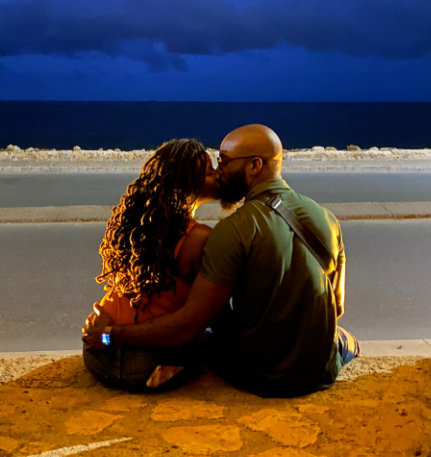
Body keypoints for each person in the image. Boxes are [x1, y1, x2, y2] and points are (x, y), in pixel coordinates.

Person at [84, 124, 361, 398]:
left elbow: (197, 323)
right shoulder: (328, 219)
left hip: (255, 375)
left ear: (254, 166)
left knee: (203, 339)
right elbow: (336, 306)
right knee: (346, 340)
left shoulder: (209, 230)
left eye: (224, 162)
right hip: (317, 372)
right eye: (214, 166)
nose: (220, 172)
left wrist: (108, 335)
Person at [82, 138, 219, 392]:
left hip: (98, 356)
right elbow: (193, 325)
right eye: (210, 172)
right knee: (209, 337)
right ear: (189, 182)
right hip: (146, 362)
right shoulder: (199, 239)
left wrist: (104, 335)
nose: (217, 175)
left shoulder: (140, 225)